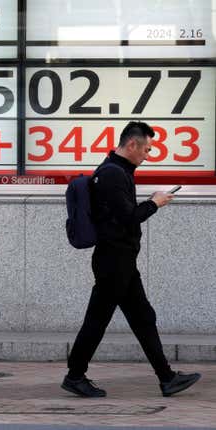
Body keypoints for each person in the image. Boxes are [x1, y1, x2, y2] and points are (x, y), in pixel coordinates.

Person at [62, 121, 201, 397]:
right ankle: (75, 375)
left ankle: (167, 378)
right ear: (132, 144)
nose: (148, 155)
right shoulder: (113, 174)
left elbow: (120, 215)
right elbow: (127, 219)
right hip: (114, 262)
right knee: (98, 320)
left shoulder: (117, 170)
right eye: (147, 149)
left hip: (121, 261)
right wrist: (155, 203)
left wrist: (148, 203)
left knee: (143, 318)